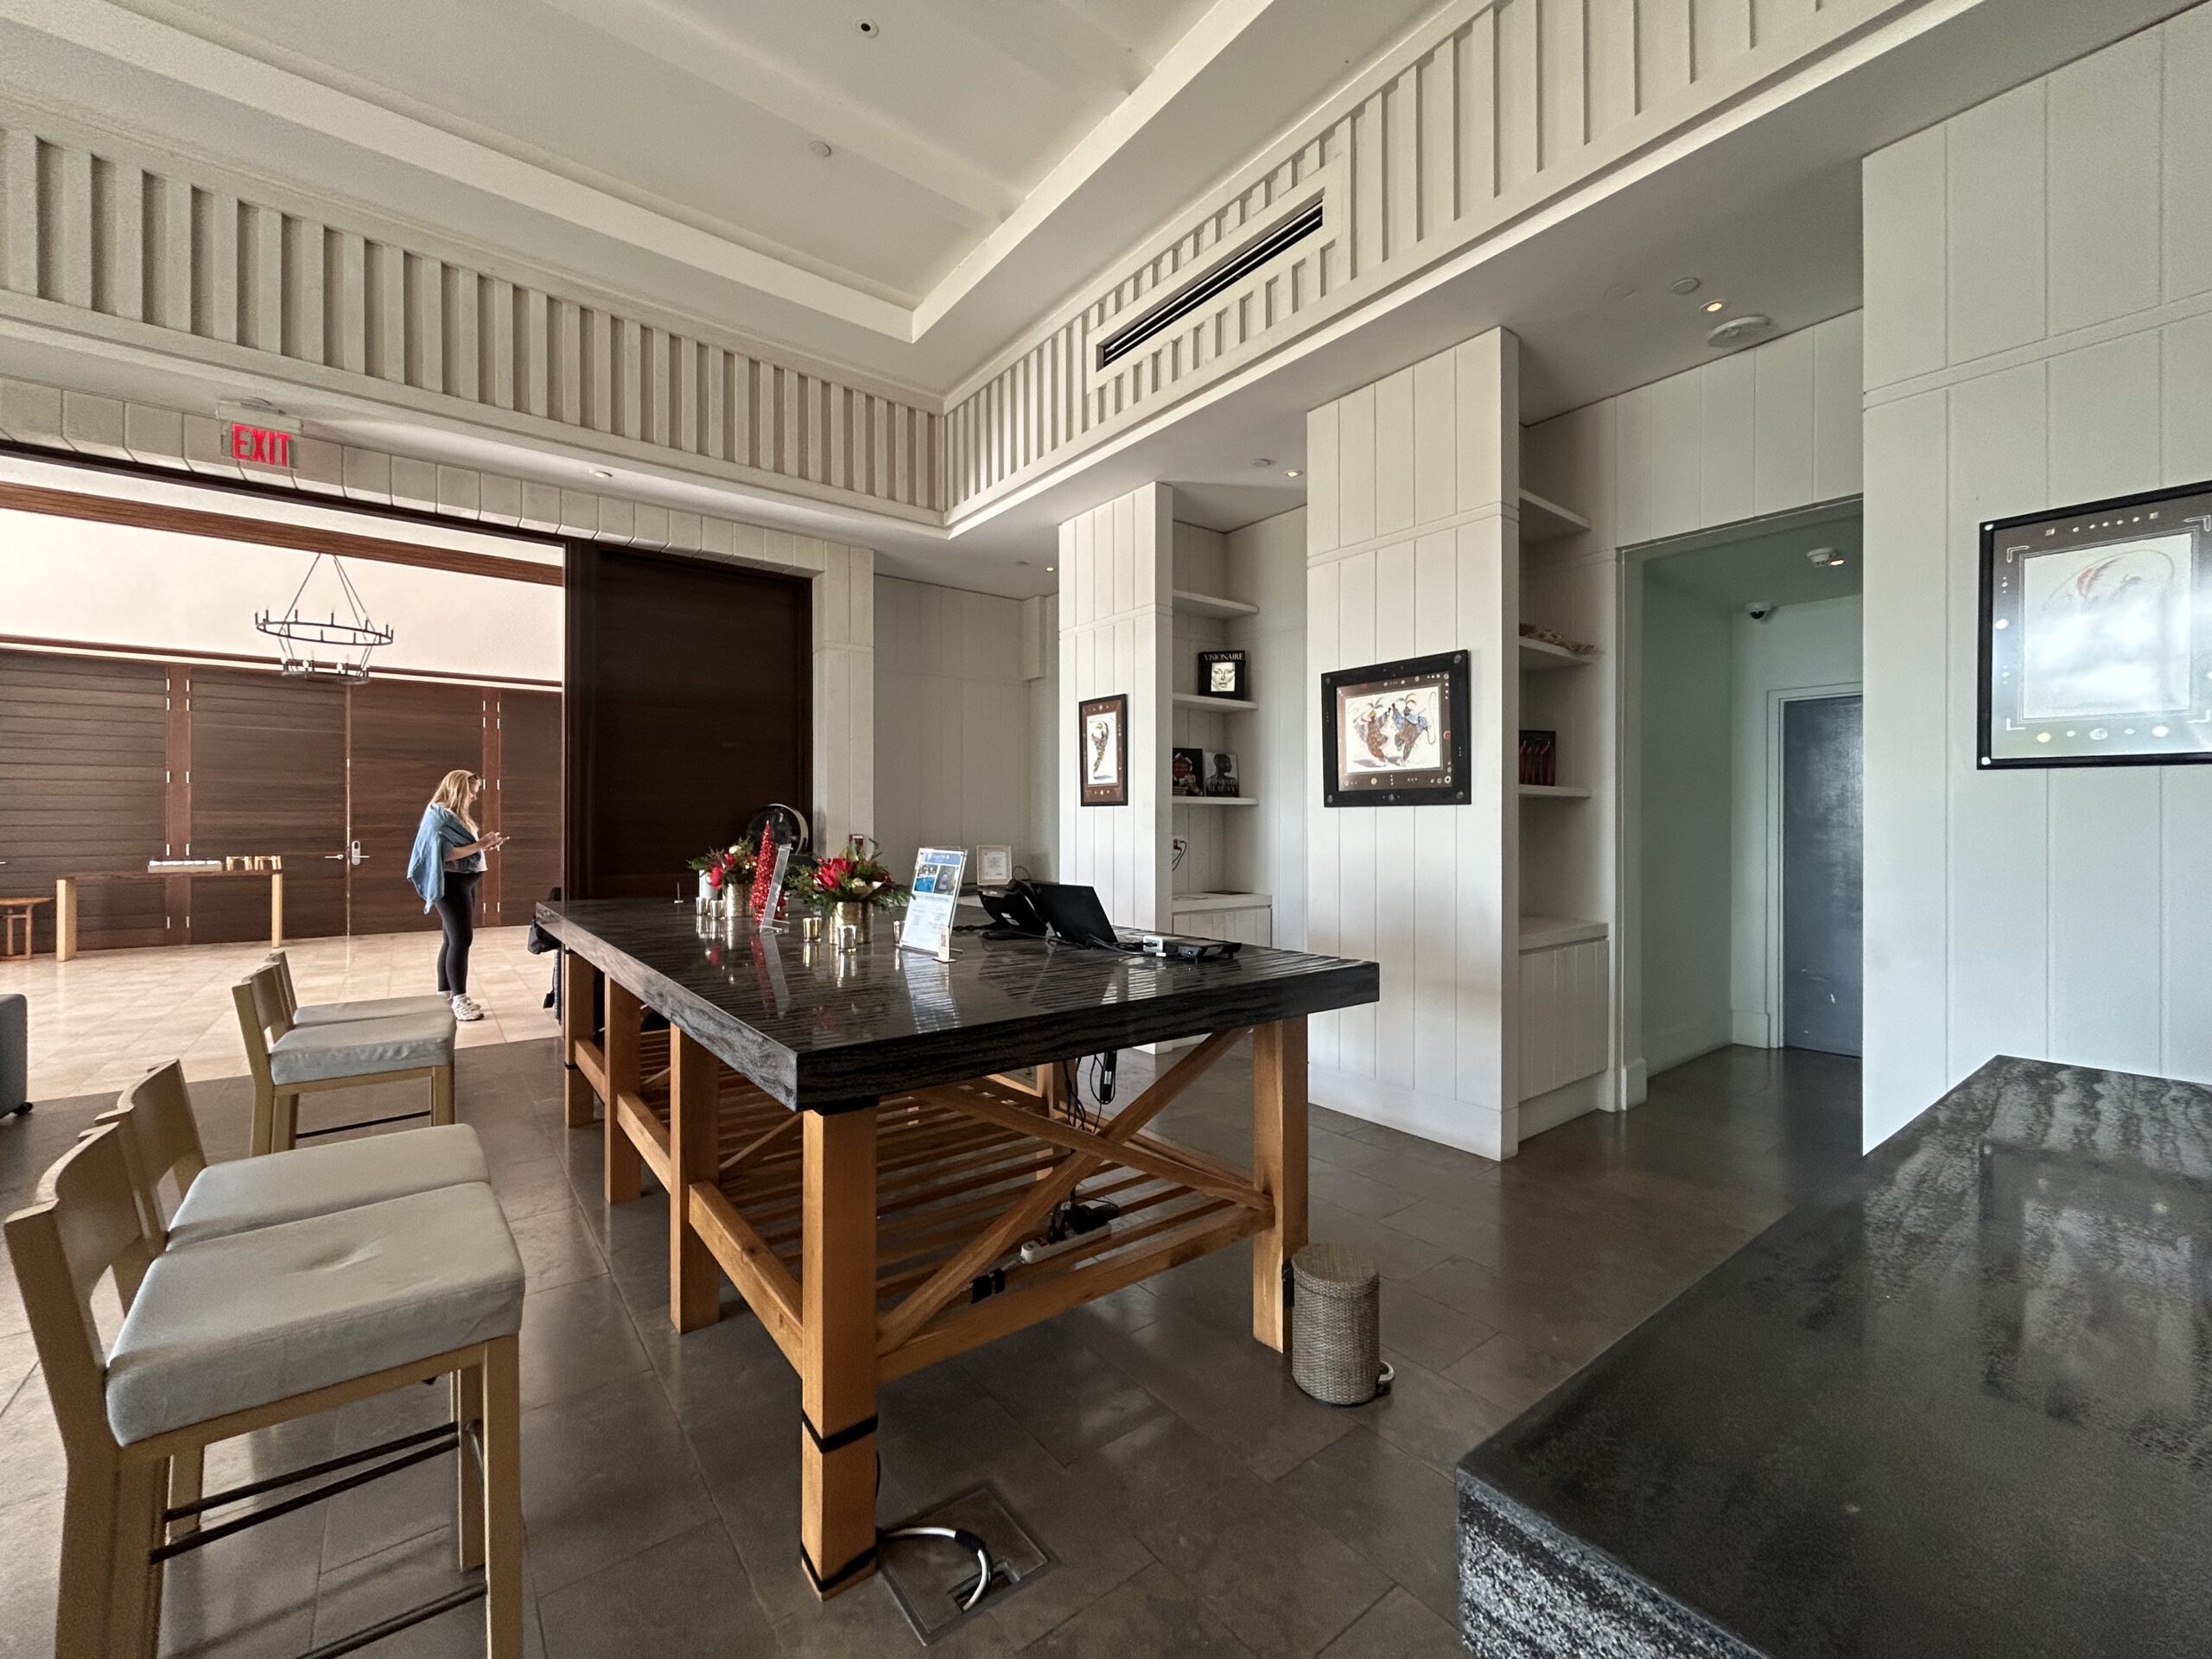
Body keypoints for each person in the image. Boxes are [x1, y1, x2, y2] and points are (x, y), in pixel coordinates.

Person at [406, 769, 507, 1022]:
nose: (474, 798)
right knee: (462, 940)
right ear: (460, 790)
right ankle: (460, 1001)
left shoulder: (451, 816)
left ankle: (446, 995)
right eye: (472, 793)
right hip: (451, 885)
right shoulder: (439, 817)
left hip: (463, 882)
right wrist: (481, 845)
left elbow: (461, 848)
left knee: (451, 940)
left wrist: (485, 844)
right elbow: (445, 853)